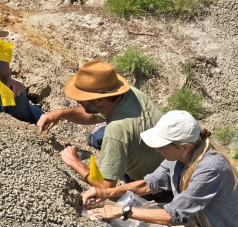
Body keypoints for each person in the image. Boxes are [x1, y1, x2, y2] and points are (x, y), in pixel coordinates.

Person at [83, 110, 238, 227]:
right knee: (138, 217)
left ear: (183, 147)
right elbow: (149, 184)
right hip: (201, 224)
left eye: (162, 145)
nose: (157, 150)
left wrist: (123, 211)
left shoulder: (210, 168)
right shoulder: (181, 157)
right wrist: (108, 192)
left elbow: (171, 216)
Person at [37, 59, 165, 190]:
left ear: (98, 99)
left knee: (108, 138)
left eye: (82, 99)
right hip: (158, 155)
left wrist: (73, 161)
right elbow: (93, 113)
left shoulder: (116, 130)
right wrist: (61, 113)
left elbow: (106, 186)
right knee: (99, 137)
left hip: (154, 186)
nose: (77, 99)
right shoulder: (127, 93)